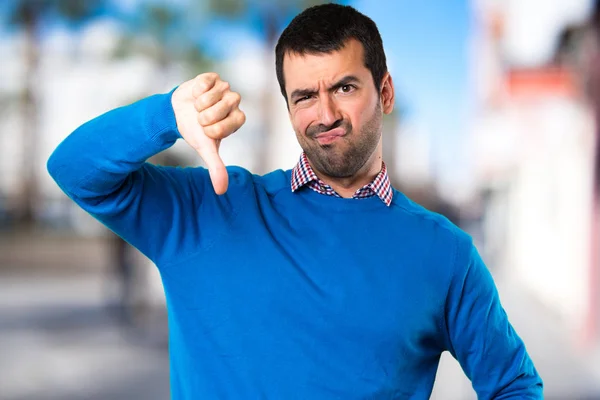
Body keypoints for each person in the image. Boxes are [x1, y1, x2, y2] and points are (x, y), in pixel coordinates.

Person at [47, 4, 542, 399]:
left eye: (345, 87)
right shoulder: (208, 208)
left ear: (385, 93)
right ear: (288, 108)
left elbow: (513, 386)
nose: (324, 114)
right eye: (305, 96)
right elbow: (74, 169)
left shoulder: (446, 253)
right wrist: (166, 114)